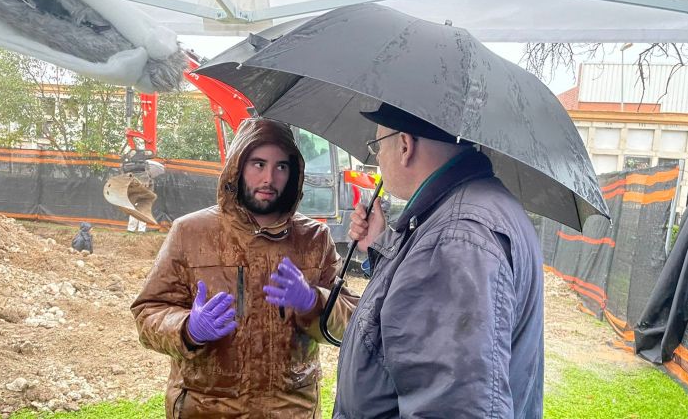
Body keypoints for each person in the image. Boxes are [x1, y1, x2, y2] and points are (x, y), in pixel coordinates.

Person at [131, 118, 358, 418]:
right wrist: (188, 328)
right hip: (205, 408)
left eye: (281, 167)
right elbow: (148, 312)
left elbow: (354, 324)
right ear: (238, 167)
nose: (269, 178)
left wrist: (316, 302)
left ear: (294, 173)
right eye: (258, 164)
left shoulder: (314, 239)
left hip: (291, 410)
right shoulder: (190, 232)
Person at [333, 103, 544, 418]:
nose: (377, 157)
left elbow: (454, 406)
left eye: (377, 145)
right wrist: (379, 244)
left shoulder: (457, 240)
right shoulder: (471, 208)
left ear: (405, 145)